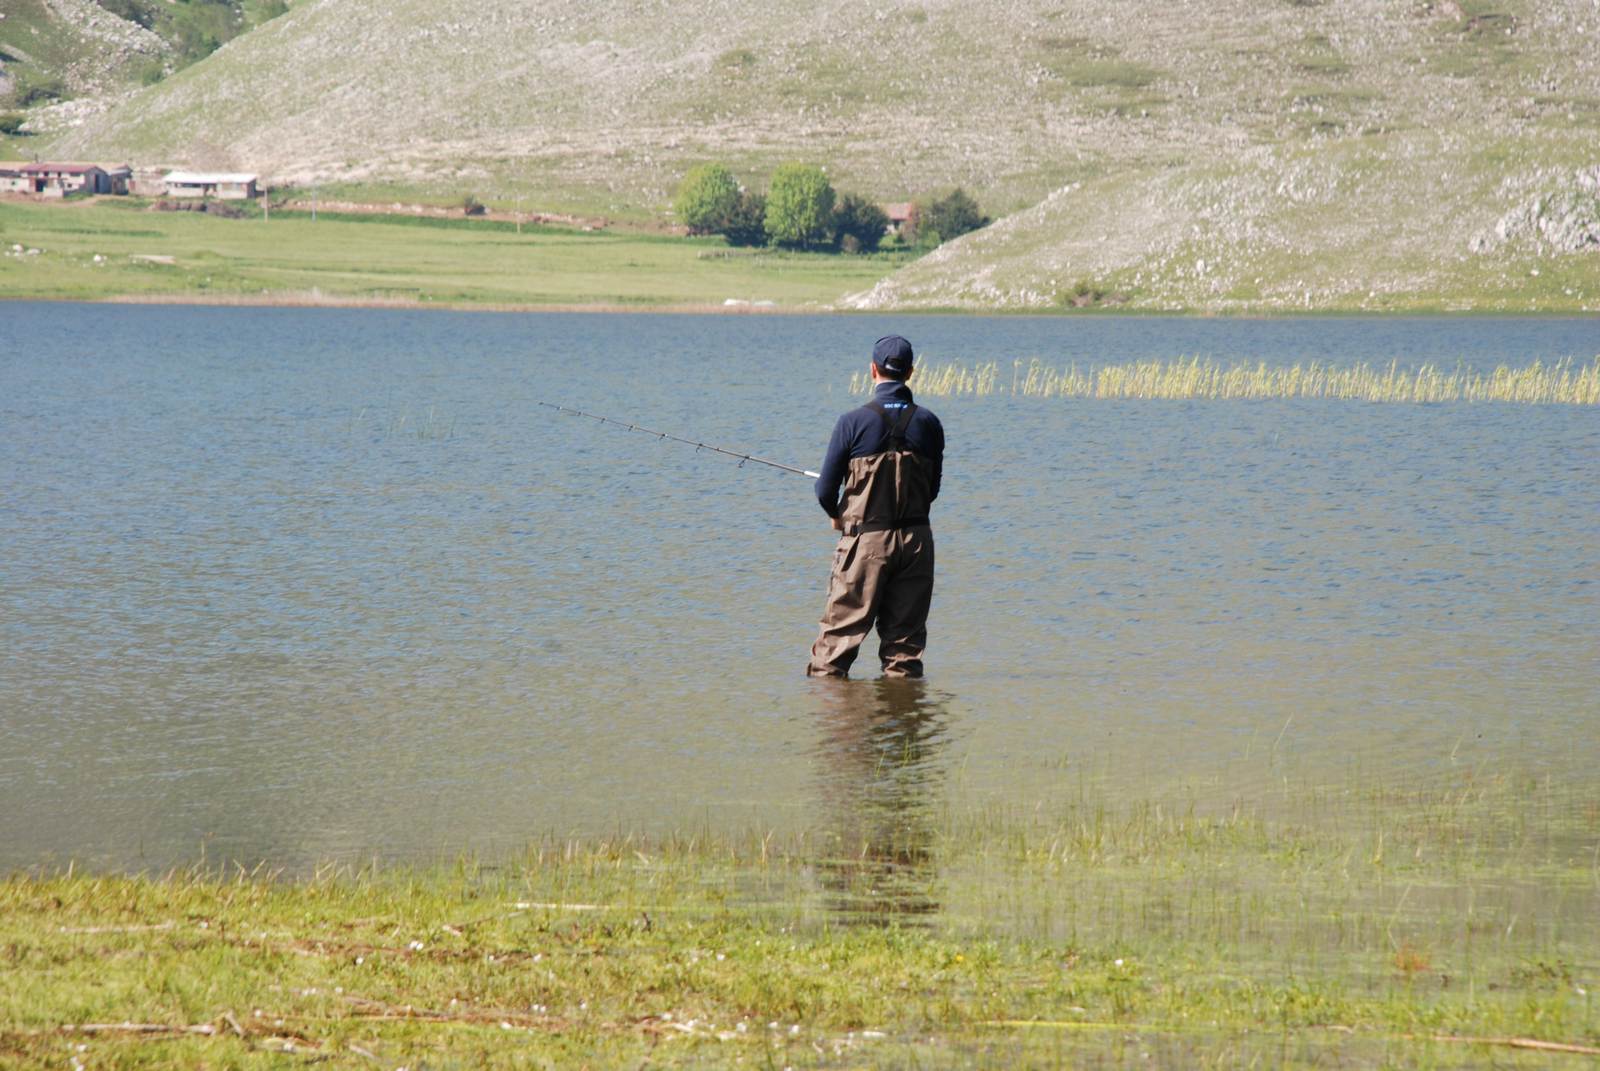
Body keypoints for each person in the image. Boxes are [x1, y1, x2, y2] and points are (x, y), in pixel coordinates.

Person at [807, 335, 945, 678]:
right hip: (916, 543)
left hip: (865, 543)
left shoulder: (852, 422)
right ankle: (902, 725)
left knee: (836, 648)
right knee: (905, 650)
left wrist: (837, 516)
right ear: (910, 372)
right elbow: (932, 491)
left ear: (872, 370)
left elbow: (825, 489)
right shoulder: (929, 424)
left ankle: (837, 725)